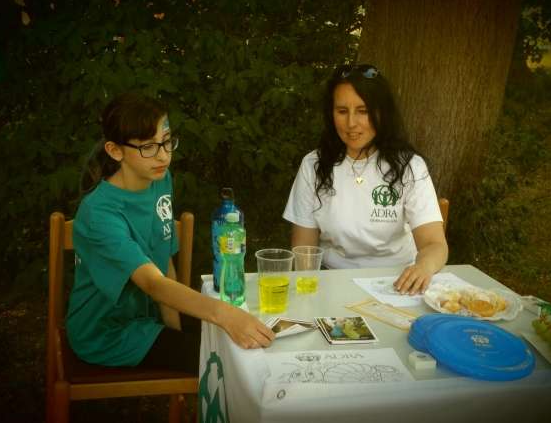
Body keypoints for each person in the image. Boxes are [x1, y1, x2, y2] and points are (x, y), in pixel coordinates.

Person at [66, 92, 274, 372]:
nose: (163, 156)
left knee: (248, 342)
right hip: (108, 335)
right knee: (228, 362)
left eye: (166, 142)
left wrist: (176, 329)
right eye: (148, 147)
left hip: (151, 315)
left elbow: (164, 260)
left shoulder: (159, 180)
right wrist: (224, 315)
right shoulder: (98, 214)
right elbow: (152, 282)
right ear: (115, 151)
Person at [283, 64, 448, 295]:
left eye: (363, 111)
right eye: (342, 111)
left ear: (382, 113)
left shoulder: (410, 166)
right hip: (333, 282)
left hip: (398, 283)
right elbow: (303, 250)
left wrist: (423, 268)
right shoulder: (314, 165)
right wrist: (310, 294)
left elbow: (435, 245)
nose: (351, 123)